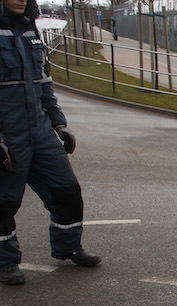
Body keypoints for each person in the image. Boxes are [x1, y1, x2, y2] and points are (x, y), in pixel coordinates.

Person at [1, 0, 100, 286]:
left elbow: (44, 84)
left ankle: (67, 247)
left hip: (41, 130)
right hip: (9, 134)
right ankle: (5, 262)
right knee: (3, 204)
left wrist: (59, 125)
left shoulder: (30, 31)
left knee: (67, 191)